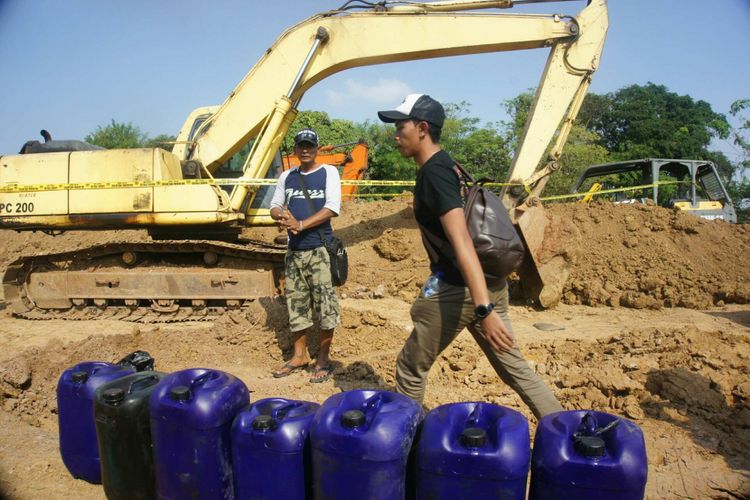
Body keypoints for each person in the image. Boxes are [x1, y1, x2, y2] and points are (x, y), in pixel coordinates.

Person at [377, 94, 563, 418]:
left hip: (459, 290)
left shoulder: (434, 173)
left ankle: (406, 449)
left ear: (422, 128)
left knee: (410, 368)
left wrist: (484, 309)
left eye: (400, 126)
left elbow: (462, 240)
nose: (395, 134)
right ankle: (565, 429)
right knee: (515, 368)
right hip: (489, 284)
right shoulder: (450, 165)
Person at [269, 128, 342, 383]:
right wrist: (280, 216)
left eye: (310, 145)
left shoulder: (328, 172)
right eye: (301, 145)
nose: (306, 149)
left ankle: (323, 359)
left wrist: (300, 224)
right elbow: (274, 205)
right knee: (296, 304)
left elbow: (332, 207)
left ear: (317, 148)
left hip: (320, 249)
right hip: (294, 252)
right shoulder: (287, 176)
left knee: (325, 305)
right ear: (296, 149)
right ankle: (299, 356)